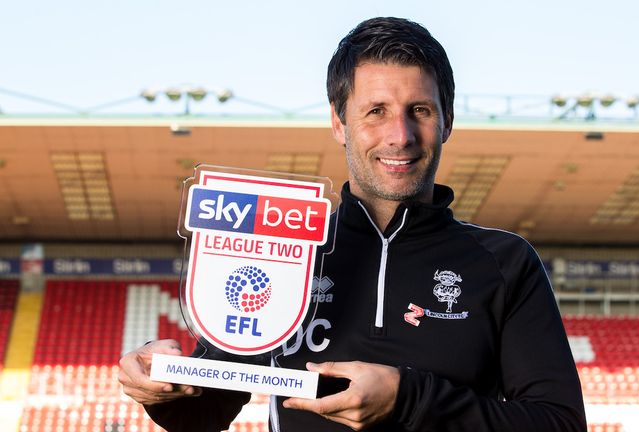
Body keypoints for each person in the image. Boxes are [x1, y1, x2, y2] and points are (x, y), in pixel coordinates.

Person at [119, 17, 587, 432]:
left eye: (419, 111)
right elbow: (201, 413)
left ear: (446, 121)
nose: (399, 136)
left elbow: (560, 423)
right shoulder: (285, 242)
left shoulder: (505, 262)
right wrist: (158, 382)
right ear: (339, 122)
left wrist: (411, 398)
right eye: (376, 111)